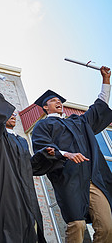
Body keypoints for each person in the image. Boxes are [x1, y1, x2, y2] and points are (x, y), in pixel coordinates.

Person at [31, 66, 112, 243]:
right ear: (45, 107)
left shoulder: (79, 121)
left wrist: (106, 80)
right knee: (77, 225)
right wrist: (64, 154)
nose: (58, 102)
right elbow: (43, 148)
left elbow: (99, 108)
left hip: (93, 179)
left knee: (107, 226)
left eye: (59, 100)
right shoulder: (43, 126)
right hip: (69, 179)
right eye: (53, 100)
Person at [0, 69, 47, 243]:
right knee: (10, 229)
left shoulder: (22, 141)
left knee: (32, 227)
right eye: (8, 114)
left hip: (26, 190)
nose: (13, 115)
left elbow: (29, 165)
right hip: (8, 188)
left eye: (14, 114)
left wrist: (46, 155)